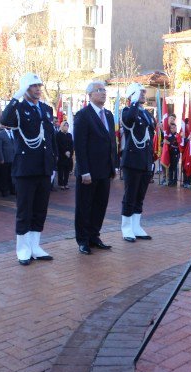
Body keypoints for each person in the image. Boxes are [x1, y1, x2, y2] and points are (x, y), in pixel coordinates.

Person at [0, 73, 57, 264]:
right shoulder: (18, 108)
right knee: (25, 209)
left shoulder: (47, 109)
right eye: (33, 86)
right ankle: (22, 248)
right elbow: (5, 120)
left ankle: (35, 245)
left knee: (40, 209)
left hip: (43, 166)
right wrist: (15, 97)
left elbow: (51, 138)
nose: (38, 89)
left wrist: (53, 163)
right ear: (25, 89)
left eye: (39, 85)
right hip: (25, 167)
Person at [73, 80, 118, 255]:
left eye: (104, 90)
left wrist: (113, 166)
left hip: (104, 170)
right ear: (90, 95)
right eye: (99, 90)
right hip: (88, 171)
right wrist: (84, 170)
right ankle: (83, 240)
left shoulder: (108, 114)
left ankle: (94, 236)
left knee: (100, 205)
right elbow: (80, 145)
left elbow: (111, 142)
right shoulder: (83, 115)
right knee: (85, 206)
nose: (103, 93)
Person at [120, 82, 155, 242]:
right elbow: (129, 120)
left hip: (145, 159)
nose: (143, 95)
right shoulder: (127, 111)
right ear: (132, 94)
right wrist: (133, 102)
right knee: (130, 195)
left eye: (143, 92)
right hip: (133, 160)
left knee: (140, 195)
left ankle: (136, 226)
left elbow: (151, 131)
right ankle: (126, 228)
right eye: (140, 92)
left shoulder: (146, 113)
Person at [0, 125, 16, 197]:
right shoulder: (0, 134)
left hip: (14, 158)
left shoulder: (14, 132)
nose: (9, 126)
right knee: (4, 176)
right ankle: (4, 190)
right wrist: (1, 158)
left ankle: (12, 189)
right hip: (5, 159)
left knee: (12, 175)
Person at [55, 121, 74, 190]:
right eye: (65, 125)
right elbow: (58, 145)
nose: (66, 126)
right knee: (61, 170)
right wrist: (64, 152)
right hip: (61, 155)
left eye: (67, 125)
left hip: (68, 156)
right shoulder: (58, 134)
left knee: (67, 170)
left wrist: (70, 153)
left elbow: (71, 144)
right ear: (62, 126)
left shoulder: (69, 135)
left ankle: (66, 183)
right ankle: (61, 184)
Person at [164, 122, 181, 187]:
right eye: (171, 128)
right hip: (169, 154)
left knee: (175, 168)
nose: (173, 129)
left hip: (176, 153)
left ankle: (175, 181)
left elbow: (177, 145)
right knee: (170, 168)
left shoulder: (178, 136)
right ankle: (170, 180)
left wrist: (169, 143)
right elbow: (164, 144)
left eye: (174, 128)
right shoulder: (167, 136)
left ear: (176, 128)